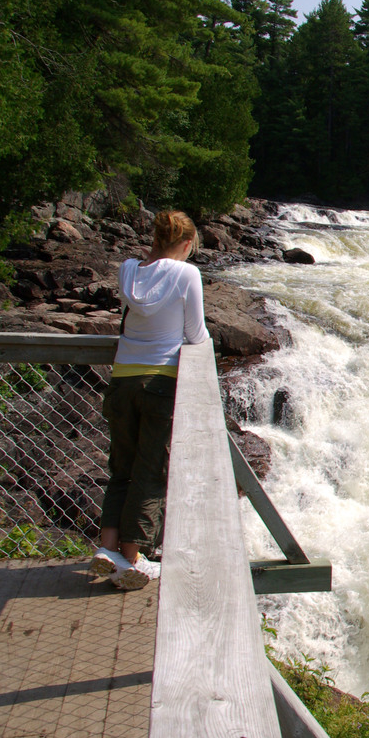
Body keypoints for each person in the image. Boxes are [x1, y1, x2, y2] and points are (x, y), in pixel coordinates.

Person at [90, 210, 211, 590]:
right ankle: (132, 557)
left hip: (122, 380)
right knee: (151, 470)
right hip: (160, 382)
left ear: (155, 238)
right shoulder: (186, 274)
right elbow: (195, 332)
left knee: (121, 467)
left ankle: (107, 548)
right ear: (187, 244)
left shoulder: (129, 270)